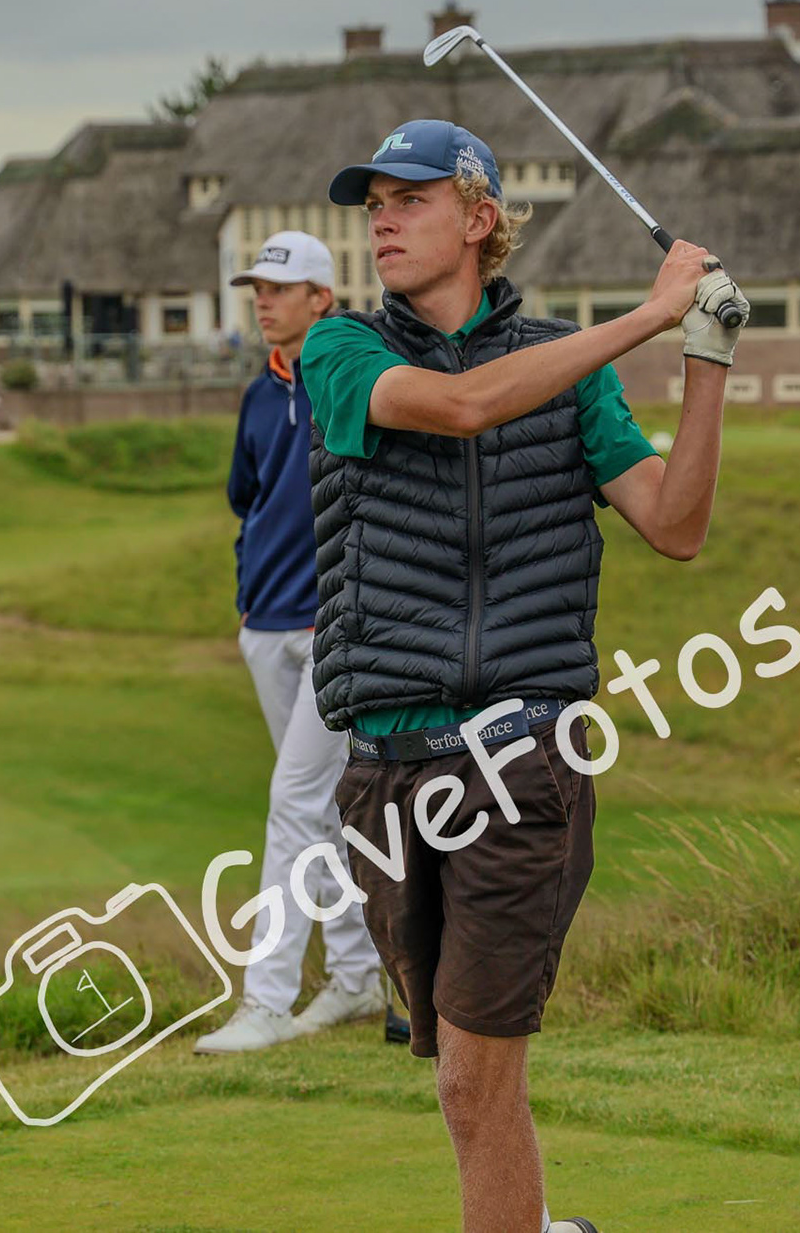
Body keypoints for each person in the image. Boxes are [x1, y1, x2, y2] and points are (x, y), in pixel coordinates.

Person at [301, 120, 747, 1233]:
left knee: (472, 1075)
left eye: (409, 199)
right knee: (458, 1067)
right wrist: (646, 315)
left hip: (520, 763)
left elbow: (675, 525)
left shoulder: (573, 376)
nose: (384, 221)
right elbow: (461, 406)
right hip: (384, 773)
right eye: (375, 206)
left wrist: (706, 359)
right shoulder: (342, 352)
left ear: (480, 218)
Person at [196, 231, 385, 1054]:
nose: (262, 302)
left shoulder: (346, 378)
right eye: (257, 290)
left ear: (322, 299)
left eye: (279, 289)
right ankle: (355, 979)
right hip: (266, 626)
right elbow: (249, 501)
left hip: (333, 630)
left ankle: (267, 999)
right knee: (326, 814)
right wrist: (247, 600)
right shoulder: (257, 394)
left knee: (292, 804)